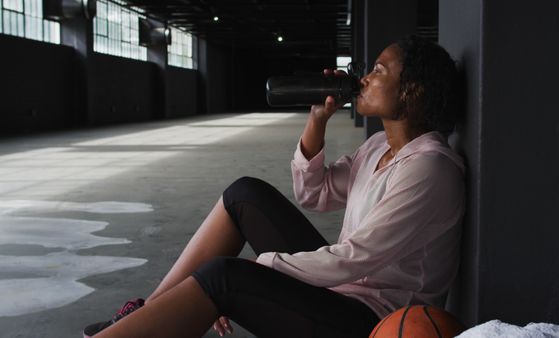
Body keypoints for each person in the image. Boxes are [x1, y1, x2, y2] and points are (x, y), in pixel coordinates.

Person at [83, 34, 465, 338]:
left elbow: (354, 258)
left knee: (223, 277)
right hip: (343, 290)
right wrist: (318, 119)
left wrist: (262, 268)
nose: (363, 78)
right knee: (244, 194)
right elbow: (314, 194)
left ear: (411, 91)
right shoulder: (380, 146)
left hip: (370, 320)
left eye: (378, 70)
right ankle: (146, 313)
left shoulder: (429, 168)